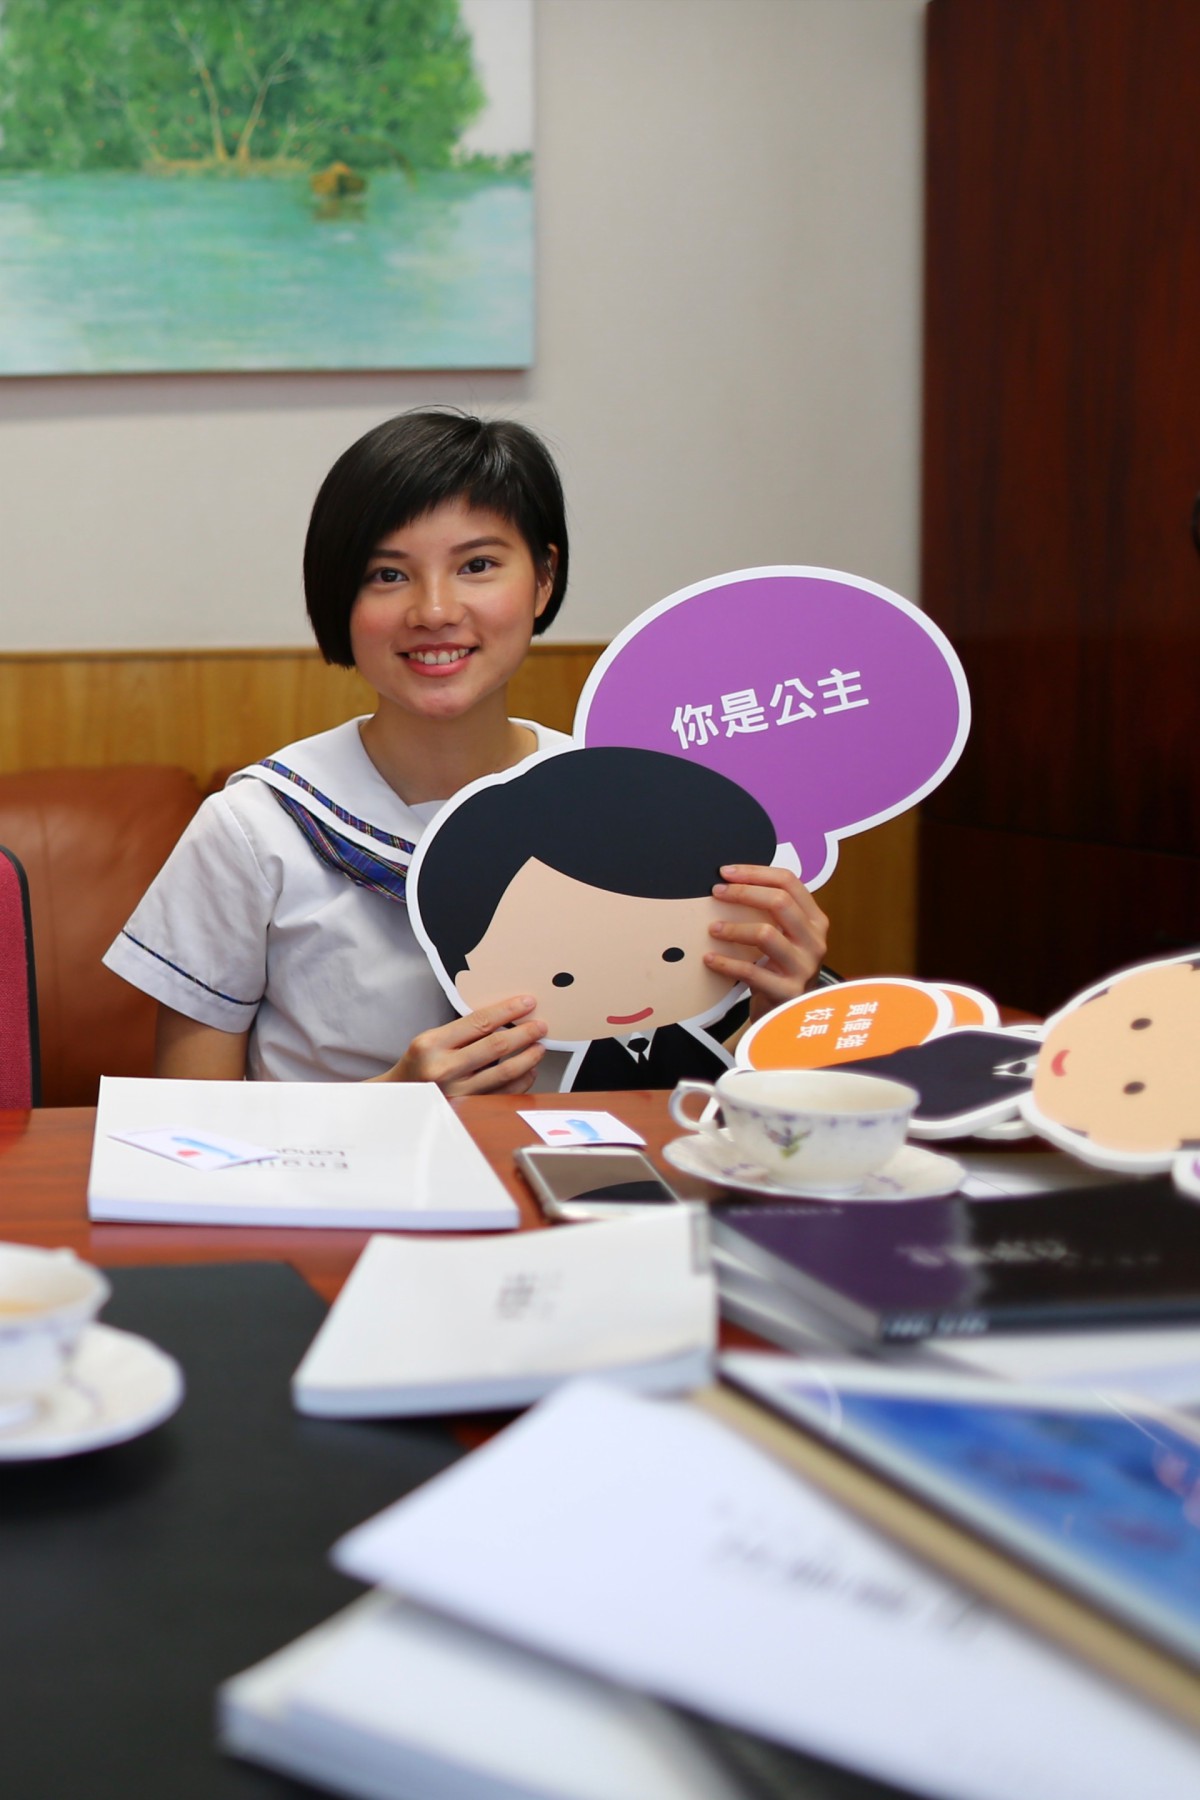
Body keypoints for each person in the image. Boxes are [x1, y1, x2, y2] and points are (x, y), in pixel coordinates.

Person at [104, 408, 829, 1094]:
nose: (435, 611)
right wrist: (392, 1102)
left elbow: (702, 1107)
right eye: (388, 575)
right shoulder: (255, 827)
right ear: (338, 598)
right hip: (348, 1186)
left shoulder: (631, 805)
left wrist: (782, 1012)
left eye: (477, 565)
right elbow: (188, 1130)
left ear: (543, 578)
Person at [411, 744, 782, 1090]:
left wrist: (781, 1018)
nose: (627, 995)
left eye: (673, 954)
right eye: (563, 979)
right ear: (468, 982)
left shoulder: (634, 789)